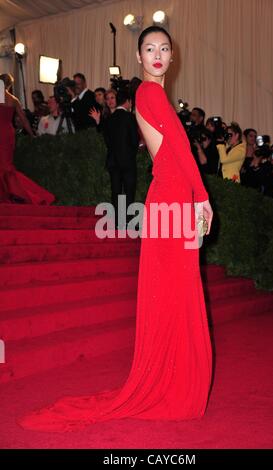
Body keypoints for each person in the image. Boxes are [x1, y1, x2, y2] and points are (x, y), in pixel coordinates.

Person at [19, 26, 213, 431]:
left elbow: (175, 151)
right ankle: (171, 383)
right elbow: (178, 150)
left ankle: (171, 378)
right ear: (139, 57)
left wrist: (194, 196)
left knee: (174, 291)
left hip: (170, 196)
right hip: (174, 196)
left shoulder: (152, 95)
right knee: (175, 290)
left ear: (172, 57)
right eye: (149, 49)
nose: (157, 54)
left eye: (164, 48)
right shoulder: (150, 92)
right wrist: (202, 197)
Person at [0, 74, 55, 205]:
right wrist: (32, 134)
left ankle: (17, 194)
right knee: (6, 166)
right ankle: (14, 194)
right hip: (8, 133)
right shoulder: (13, 100)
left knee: (3, 167)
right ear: (9, 85)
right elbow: (24, 119)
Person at [103, 88, 139, 229]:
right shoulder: (130, 117)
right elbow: (135, 140)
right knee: (129, 192)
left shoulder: (109, 119)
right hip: (128, 161)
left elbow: (107, 141)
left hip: (113, 161)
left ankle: (116, 222)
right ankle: (129, 222)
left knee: (116, 191)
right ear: (128, 102)